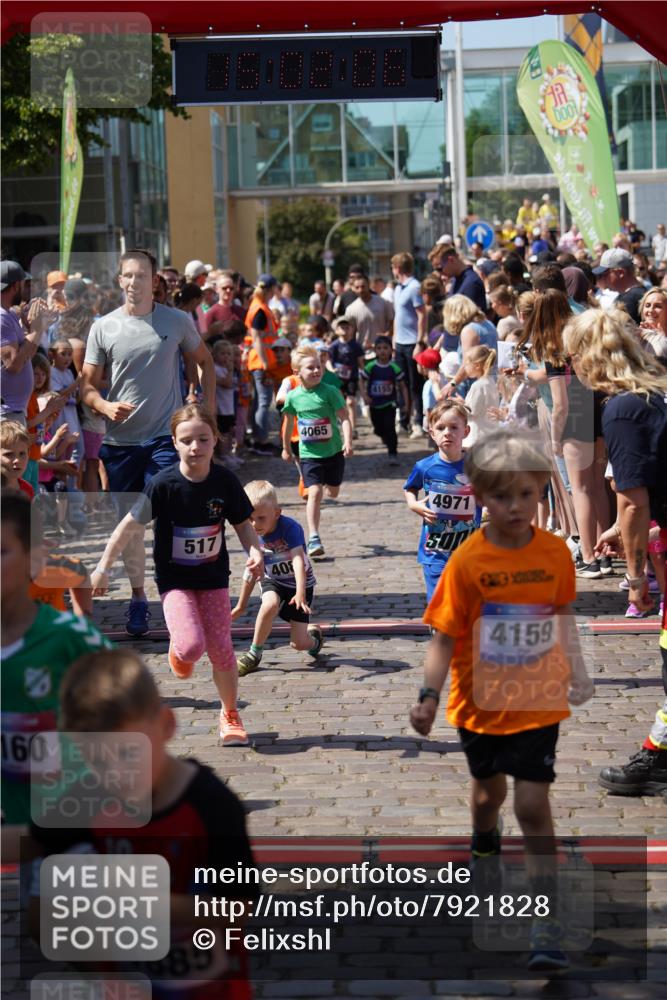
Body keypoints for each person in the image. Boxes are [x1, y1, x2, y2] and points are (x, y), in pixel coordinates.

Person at [410, 430, 594, 971]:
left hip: (538, 702)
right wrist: (427, 697)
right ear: (481, 498)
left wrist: (577, 671)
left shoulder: (556, 552)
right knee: (488, 798)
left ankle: (546, 922)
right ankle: (483, 841)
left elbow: (561, 614)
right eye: (501, 496)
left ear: (542, 492)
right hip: (480, 704)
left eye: (527, 494)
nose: (515, 507)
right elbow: (444, 637)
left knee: (533, 807)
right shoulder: (468, 561)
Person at [27, 647, 255, 999]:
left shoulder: (211, 804)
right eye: (96, 760)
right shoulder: (87, 798)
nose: (116, 773)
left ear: (166, 725)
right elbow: (33, 844)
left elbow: (238, 909)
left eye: (128, 752)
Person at [90, 404, 263, 747]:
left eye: (203, 439)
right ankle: (179, 650)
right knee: (191, 645)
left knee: (222, 651)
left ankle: (230, 715)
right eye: (186, 440)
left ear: (215, 439)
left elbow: (243, 524)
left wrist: (254, 550)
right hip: (175, 581)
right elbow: (127, 527)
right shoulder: (163, 484)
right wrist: (102, 567)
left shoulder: (225, 481)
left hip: (213, 578)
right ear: (174, 443)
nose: (195, 447)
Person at [81, 248, 215, 637]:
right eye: (129, 276)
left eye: (143, 276)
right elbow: (87, 387)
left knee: (169, 517)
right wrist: (104, 405)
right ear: (119, 280)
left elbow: (204, 361)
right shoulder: (103, 327)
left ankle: (178, 595)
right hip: (121, 443)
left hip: (163, 438)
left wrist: (203, 408)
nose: (135, 282)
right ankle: (139, 596)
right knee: (133, 523)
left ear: (155, 281)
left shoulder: (176, 320)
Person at [0, 491, 110, 827]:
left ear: (34, 558)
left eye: (1, 551)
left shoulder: (73, 638)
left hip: (65, 833)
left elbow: (138, 725)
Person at [565, 309, 667, 618]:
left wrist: (635, 579)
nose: (570, 366)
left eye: (571, 356)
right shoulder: (654, 389)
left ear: (588, 355)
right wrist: (620, 528)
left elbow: (633, 503)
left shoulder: (624, 407)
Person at [232, 480, 323, 676]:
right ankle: (254, 653)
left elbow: (298, 559)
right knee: (270, 603)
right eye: (250, 518)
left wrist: (300, 593)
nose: (255, 525)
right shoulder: (251, 534)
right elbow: (251, 571)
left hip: (299, 584)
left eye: (261, 518)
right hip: (272, 580)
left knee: (298, 643)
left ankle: (314, 639)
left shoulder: (290, 528)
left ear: (277, 513)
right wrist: (241, 605)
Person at [404, 399, 482, 603]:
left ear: (466, 432)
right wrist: (414, 504)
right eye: (441, 428)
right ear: (432, 433)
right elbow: (410, 488)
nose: (447, 432)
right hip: (435, 550)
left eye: (454, 427)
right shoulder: (425, 467)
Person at [281, 345, 352, 559]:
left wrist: (347, 441)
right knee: (315, 492)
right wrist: (286, 448)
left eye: (318, 366)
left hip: (333, 452)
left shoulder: (330, 392)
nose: (316, 371)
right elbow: (288, 423)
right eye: (310, 367)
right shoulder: (293, 397)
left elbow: (344, 417)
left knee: (333, 491)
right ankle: (313, 536)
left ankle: (331, 486)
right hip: (309, 454)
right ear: (296, 373)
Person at [1, 260, 45, 423]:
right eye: (24, 285)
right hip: (6, 414)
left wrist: (32, 327)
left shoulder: (9, 314)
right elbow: (13, 364)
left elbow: (27, 355)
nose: (27, 289)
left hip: (14, 411)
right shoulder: (1, 317)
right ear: (15, 286)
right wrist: (37, 329)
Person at [391, 252, 427, 437]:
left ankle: (418, 422)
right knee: (400, 384)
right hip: (399, 343)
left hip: (413, 343)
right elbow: (398, 317)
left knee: (415, 385)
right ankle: (403, 421)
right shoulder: (398, 289)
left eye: (393, 267)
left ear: (398, 268)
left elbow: (422, 315)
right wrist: (393, 341)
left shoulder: (414, 287)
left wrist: (420, 342)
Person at [244, 274, 280, 455]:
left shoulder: (259, 306)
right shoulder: (259, 309)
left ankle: (257, 439)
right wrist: (265, 363)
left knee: (259, 401)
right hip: (261, 362)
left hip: (259, 361)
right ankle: (261, 441)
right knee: (264, 402)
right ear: (271, 289)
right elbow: (257, 339)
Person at [360, 335, 406, 465]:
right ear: (375, 351)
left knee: (390, 427)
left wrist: (406, 404)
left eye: (386, 348)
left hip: (389, 403)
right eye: (379, 348)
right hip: (374, 404)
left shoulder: (394, 368)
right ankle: (385, 437)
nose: (382, 351)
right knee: (378, 429)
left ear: (391, 350)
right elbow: (361, 380)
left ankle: (393, 453)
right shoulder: (371, 366)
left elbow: (403, 387)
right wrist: (364, 396)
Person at [327, 316, 365, 439]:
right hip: (337, 379)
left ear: (352, 330)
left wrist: (363, 373)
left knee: (351, 402)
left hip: (352, 378)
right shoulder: (334, 345)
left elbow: (361, 362)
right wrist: (331, 369)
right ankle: (341, 426)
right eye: (341, 327)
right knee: (339, 404)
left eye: (347, 327)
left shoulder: (356, 345)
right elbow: (328, 360)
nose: (344, 329)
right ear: (336, 330)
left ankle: (353, 429)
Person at [592, 248, 645, 324]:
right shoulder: (639, 293)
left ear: (620, 273)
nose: (604, 280)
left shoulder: (628, 300)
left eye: (605, 275)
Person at [462, 345, 500, 448]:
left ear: (477, 366)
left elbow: (471, 411)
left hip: (476, 437)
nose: (464, 367)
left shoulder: (478, 385)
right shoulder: (491, 382)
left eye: (466, 364)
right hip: (489, 435)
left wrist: (458, 406)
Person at [344, 273, 394, 349]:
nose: (360, 290)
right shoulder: (350, 309)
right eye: (357, 287)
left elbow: (393, 322)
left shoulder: (383, 303)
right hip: (361, 353)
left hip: (381, 353)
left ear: (369, 285)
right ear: (353, 288)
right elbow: (350, 333)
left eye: (363, 287)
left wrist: (389, 333)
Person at [439, 247, 487, 313]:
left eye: (440, 268)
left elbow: (470, 316)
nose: (441, 273)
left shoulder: (471, 283)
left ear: (451, 260)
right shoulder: (455, 280)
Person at [638, 287, 667, 364]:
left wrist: (663, 340)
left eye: (658, 306)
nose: (650, 310)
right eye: (647, 305)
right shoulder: (636, 334)